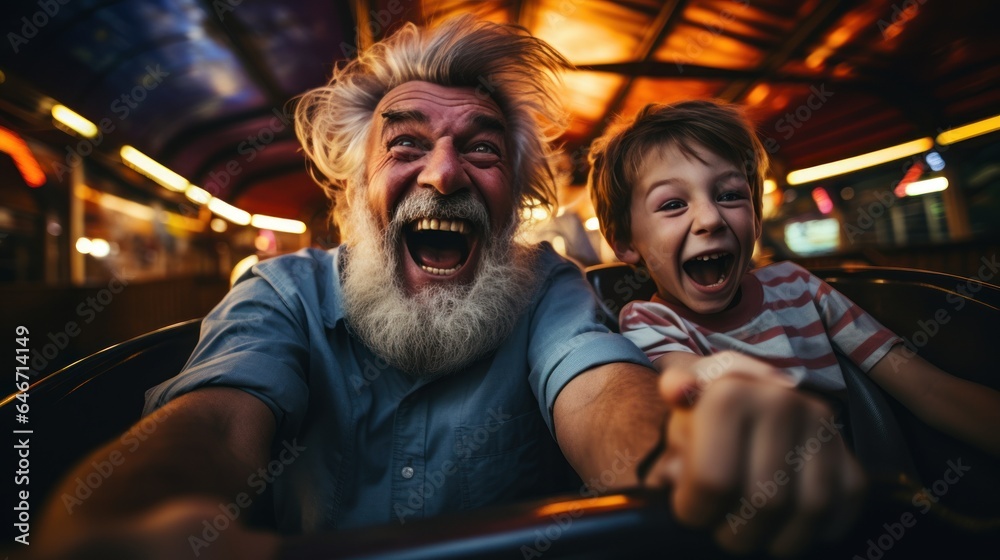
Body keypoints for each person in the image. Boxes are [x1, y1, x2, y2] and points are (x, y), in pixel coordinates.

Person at [36, 19, 865, 559]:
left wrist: (694, 454)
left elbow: (605, 395)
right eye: (405, 146)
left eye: (482, 150)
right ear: (353, 193)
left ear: (511, 203)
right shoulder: (281, 294)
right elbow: (213, 424)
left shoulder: (548, 292)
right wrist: (138, 515)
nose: (443, 172)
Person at [587, 99, 1000, 467]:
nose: (711, 219)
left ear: (756, 218)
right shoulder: (648, 321)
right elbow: (694, 382)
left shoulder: (799, 287)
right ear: (625, 242)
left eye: (730, 195)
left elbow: (929, 390)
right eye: (673, 204)